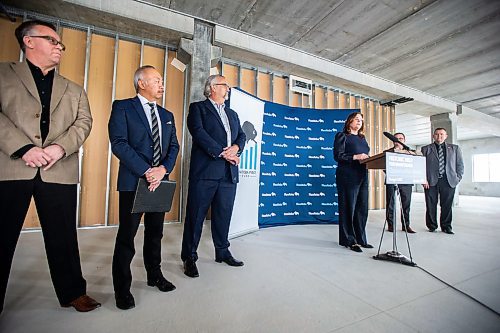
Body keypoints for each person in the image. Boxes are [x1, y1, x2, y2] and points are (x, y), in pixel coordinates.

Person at [0, 20, 100, 313]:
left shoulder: (74, 89)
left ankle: (73, 292)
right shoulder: (3, 73)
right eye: (53, 41)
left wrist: (59, 148)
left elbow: (84, 122)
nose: (60, 47)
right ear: (29, 41)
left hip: (59, 169)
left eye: (61, 44)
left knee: (64, 236)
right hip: (11, 166)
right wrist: (24, 148)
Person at [108, 65, 180, 310]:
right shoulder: (123, 107)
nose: (162, 84)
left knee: (155, 233)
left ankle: (154, 275)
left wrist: (162, 170)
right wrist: (146, 170)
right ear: (141, 83)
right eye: (157, 80)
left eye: (162, 81)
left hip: (160, 182)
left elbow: (174, 147)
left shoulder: (167, 115)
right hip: (134, 181)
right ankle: (122, 289)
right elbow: (118, 143)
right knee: (127, 236)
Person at [181, 74, 246, 278]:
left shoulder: (233, 113)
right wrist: (222, 152)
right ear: (212, 88)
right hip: (205, 173)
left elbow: (242, 136)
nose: (228, 88)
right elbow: (198, 132)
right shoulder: (198, 108)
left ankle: (222, 251)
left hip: (228, 173)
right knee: (196, 216)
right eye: (225, 85)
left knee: (223, 215)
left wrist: (235, 147)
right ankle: (189, 257)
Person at [333, 112, 373, 252]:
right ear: (349, 121)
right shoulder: (342, 136)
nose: (359, 122)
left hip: (362, 175)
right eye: (356, 119)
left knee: (362, 209)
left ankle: (361, 239)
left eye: (361, 120)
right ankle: (349, 240)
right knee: (348, 208)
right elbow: (338, 156)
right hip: (347, 176)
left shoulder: (362, 138)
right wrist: (356, 156)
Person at [421, 128, 464, 234]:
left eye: (441, 134)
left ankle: (446, 226)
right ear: (433, 136)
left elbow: (460, 165)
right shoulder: (426, 149)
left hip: (449, 181)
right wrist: (423, 179)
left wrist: (458, 178)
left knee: (447, 205)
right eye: (436, 134)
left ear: (446, 136)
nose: (439, 136)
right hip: (430, 181)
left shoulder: (455, 148)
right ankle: (432, 225)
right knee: (431, 204)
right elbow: (420, 166)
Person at [385, 132, 415, 233]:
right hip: (391, 181)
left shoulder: (410, 152)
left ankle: (406, 225)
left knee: (406, 204)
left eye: (401, 138)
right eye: (396, 138)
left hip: (406, 181)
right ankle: (391, 225)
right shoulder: (387, 152)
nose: (398, 140)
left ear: (404, 140)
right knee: (390, 204)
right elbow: (384, 167)